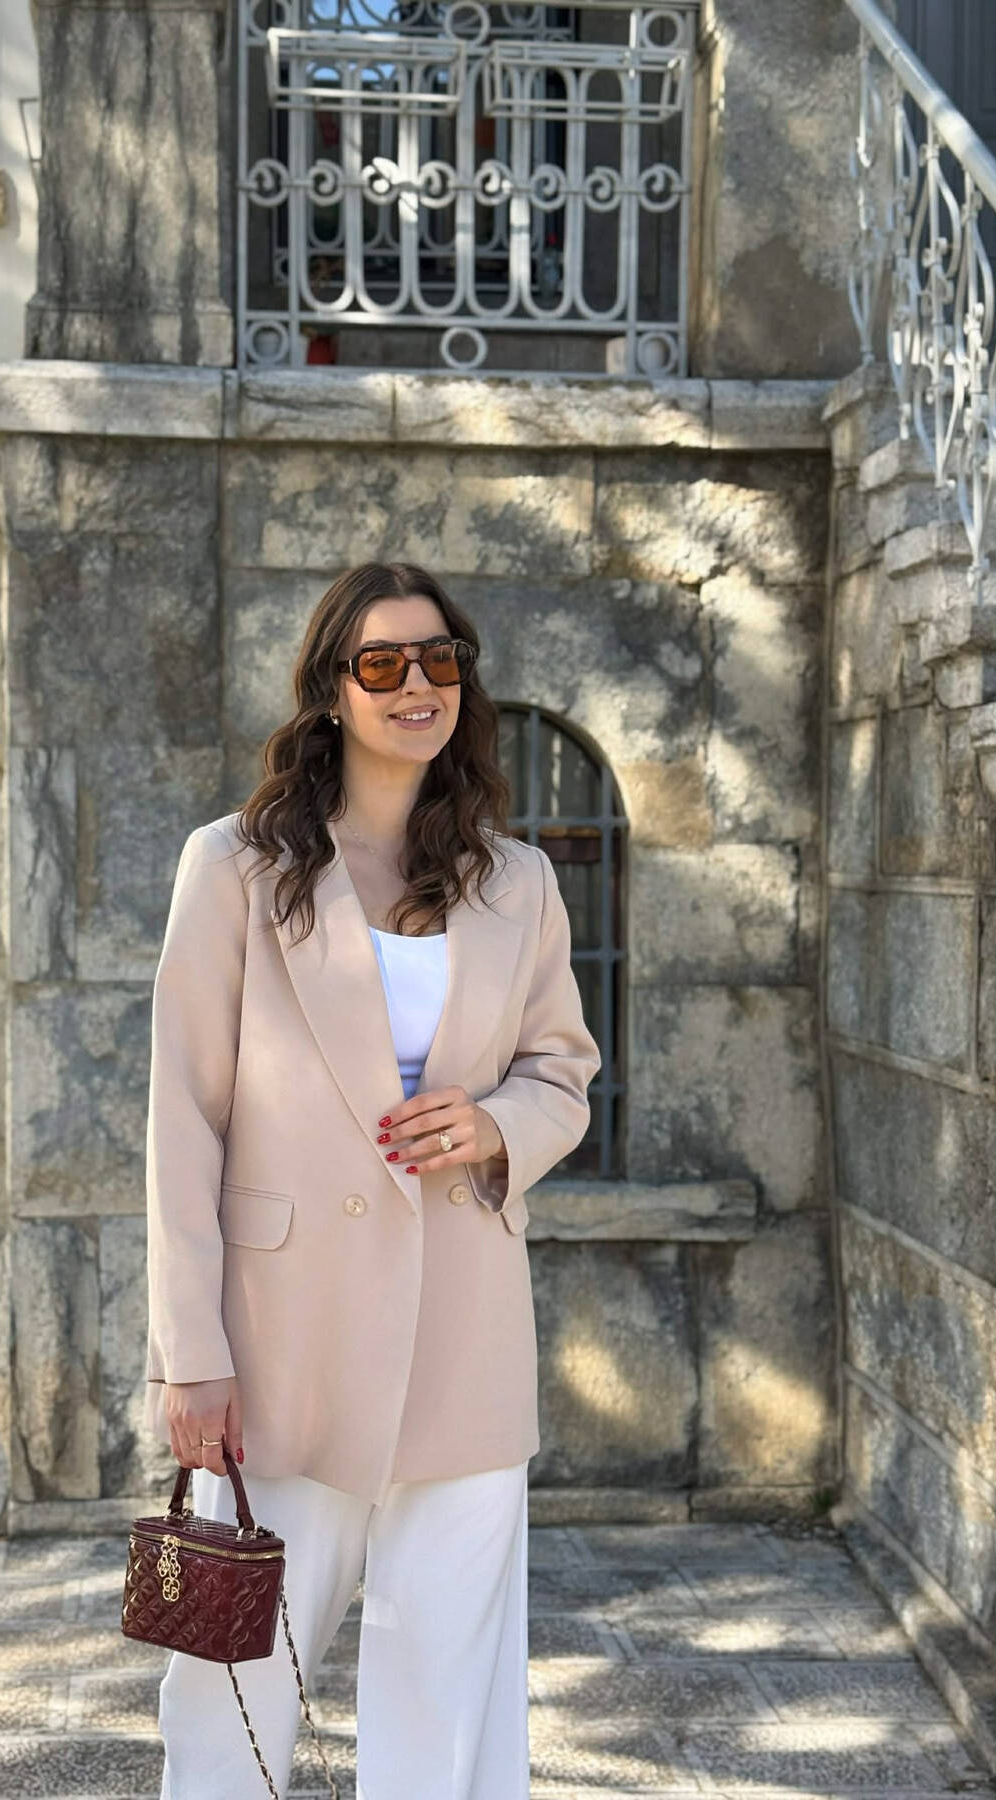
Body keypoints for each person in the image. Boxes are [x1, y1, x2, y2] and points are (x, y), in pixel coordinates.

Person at [144, 561, 601, 1800]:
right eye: (383, 662)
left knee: (450, 1694)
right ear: (333, 687)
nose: (416, 685)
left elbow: (564, 1074)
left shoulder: (516, 880)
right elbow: (184, 1117)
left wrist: (495, 1123)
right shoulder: (234, 866)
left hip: (462, 1332)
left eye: (439, 659)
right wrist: (191, 1352)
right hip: (281, 1338)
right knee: (232, 1680)